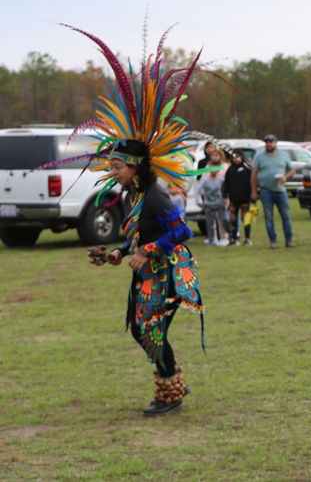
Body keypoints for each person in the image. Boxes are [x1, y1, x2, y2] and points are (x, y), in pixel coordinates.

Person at [57, 23, 210, 416]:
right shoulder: (134, 194)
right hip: (149, 270)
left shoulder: (155, 195)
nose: (113, 171)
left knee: (149, 329)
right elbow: (141, 235)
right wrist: (119, 252)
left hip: (169, 271)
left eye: (118, 165)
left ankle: (170, 392)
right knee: (143, 329)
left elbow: (180, 230)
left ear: (137, 166)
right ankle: (171, 380)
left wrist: (146, 252)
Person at [252, 134, 296, 248]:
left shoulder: (283, 155)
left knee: (286, 215)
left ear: (275, 143)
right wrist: (253, 190)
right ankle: (273, 240)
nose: (269, 144)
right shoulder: (260, 157)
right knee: (268, 216)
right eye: (267, 142)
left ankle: (289, 240)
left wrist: (286, 176)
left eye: (271, 142)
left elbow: (292, 170)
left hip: (281, 190)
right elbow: (254, 174)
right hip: (266, 191)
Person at [196, 160, 230, 247]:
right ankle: (211, 239)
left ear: (218, 169)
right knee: (209, 223)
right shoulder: (205, 180)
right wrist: (198, 201)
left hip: (220, 204)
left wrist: (226, 199)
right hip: (209, 204)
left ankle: (224, 237)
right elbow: (198, 189)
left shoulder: (221, 179)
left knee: (223, 220)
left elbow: (226, 189)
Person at [222, 150, 253, 246]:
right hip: (233, 199)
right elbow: (226, 184)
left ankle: (247, 238)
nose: (237, 159)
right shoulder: (230, 169)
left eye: (239, 157)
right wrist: (225, 196)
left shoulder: (247, 169)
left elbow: (252, 183)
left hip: (245, 199)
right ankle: (234, 239)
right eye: (235, 157)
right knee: (233, 219)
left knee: (246, 219)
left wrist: (252, 195)